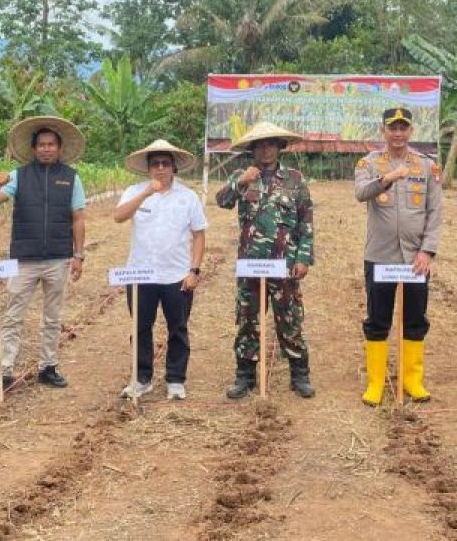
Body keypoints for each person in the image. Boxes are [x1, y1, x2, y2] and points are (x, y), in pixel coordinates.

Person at [0, 116, 87, 397]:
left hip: (58, 258)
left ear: (59, 148)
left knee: (52, 317)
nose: (46, 149)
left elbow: (78, 218)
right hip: (23, 259)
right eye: (41, 144)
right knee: (14, 316)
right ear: (33, 148)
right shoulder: (18, 176)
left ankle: (48, 367)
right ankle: (4, 371)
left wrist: (79, 255)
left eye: (51, 144)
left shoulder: (71, 177)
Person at [215, 121, 316, 399]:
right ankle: (245, 376)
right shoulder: (242, 174)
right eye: (260, 144)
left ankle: (300, 374)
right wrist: (241, 182)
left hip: (284, 265)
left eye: (271, 143)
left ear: (280, 147)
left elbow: (305, 221)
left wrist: (304, 258)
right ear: (253, 148)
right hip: (251, 264)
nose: (266, 149)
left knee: (290, 318)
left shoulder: (294, 179)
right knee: (248, 320)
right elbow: (221, 201)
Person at [353, 107, 443, 405]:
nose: (398, 133)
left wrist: (427, 251)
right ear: (384, 131)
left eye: (404, 128)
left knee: (415, 318)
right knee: (378, 319)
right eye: (393, 128)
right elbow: (361, 193)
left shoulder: (427, 166)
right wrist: (388, 178)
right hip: (380, 256)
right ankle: (376, 382)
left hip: (415, 259)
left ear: (411, 131)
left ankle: (412, 379)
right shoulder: (368, 163)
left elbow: (434, 213)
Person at [113, 139, 208, 400]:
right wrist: (145, 194)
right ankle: (142, 378)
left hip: (176, 275)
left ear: (174, 168)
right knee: (141, 327)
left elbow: (199, 235)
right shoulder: (135, 191)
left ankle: (176, 379)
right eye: (155, 164)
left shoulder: (188, 197)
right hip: (140, 274)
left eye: (166, 164)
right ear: (148, 168)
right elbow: (118, 216)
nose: (160, 169)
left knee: (178, 327)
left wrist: (194, 270)